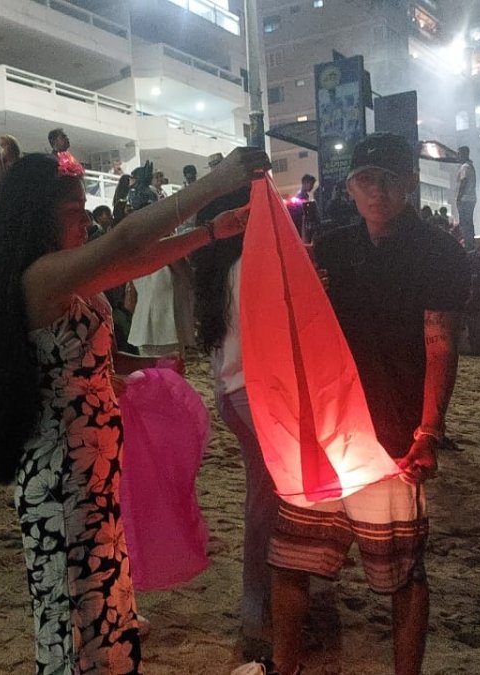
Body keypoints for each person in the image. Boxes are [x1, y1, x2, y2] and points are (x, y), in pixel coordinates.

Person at [0, 146, 268, 674]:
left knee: (106, 608)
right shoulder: (40, 278)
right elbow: (126, 241)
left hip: (93, 473)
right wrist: (212, 184)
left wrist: (212, 232)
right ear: (38, 214)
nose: (86, 216)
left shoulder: (63, 277)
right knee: (75, 619)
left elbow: (133, 260)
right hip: (61, 477)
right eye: (73, 208)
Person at [267, 133, 469, 675]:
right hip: (326, 430)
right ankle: (284, 666)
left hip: (395, 433)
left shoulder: (440, 252)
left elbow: (440, 344)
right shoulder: (331, 248)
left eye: (386, 178)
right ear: (350, 187)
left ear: (407, 183)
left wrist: (428, 431)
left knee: (402, 573)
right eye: (363, 179)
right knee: (292, 558)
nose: (374, 190)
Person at [192, 186, 279, 660]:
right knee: (266, 504)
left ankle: (261, 601)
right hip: (254, 393)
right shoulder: (251, 266)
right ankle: (255, 606)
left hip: (230, 392)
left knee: (262, 497)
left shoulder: (213, 270)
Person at [455, 145, 477, 251]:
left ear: (464, 154)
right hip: (471, 199)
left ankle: (468, 245)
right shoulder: (470, 167)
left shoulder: (465, 167)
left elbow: (463, 182)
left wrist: (458, 197)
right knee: (469, 223)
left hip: (465, 199)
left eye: (459, 154)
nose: (457, 156)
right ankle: (471, 244)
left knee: (465, 224)